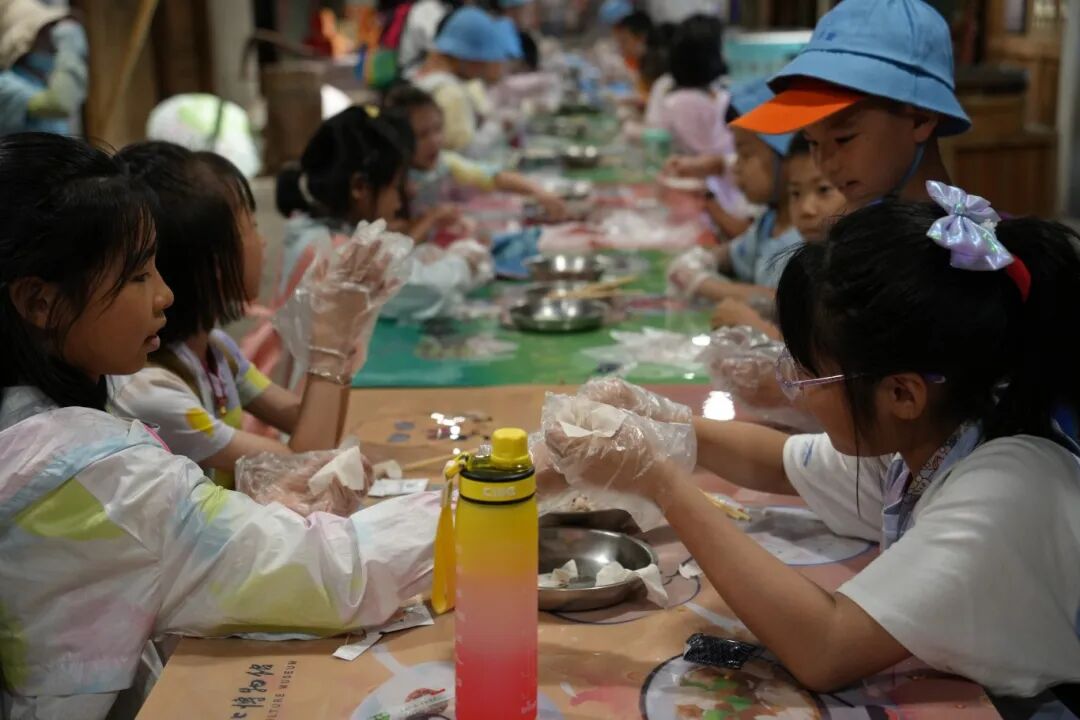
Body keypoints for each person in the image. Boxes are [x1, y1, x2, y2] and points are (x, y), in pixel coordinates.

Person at [544, 184, 1080, 701]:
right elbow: (778, 464)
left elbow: (825, 647)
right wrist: (661, 422)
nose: (796, 392)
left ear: (902, 393)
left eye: (811, 376)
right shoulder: (935, 437)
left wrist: (660, 482)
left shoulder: (1004, 490)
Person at [0, 132, 437, 720]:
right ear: (39, 302)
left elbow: (303, 448)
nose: (164, 293)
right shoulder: (109, 459)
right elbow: (333, 568)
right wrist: (505, 487)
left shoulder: (212, 356)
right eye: (137, 275)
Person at [111, 143, 380, 488]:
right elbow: (305, 461)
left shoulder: (216, 350)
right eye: (250, 225)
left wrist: (344, 327)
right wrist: (330, 343)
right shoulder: (152, 392)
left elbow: (307, 421)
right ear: (212, 260)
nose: (262, 241)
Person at [729, 0, 968, 210]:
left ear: (921, 119)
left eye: (843, 139)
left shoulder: (965, 245)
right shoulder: (855, 228)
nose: (825, 165)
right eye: (813, 142)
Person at [667, 79, 799, 304]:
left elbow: (780, 304)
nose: (736, 166)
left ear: (786, 158)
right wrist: (703, 259)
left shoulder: (806, 234)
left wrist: (702, 283)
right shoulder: (770, 221)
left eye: (745, 154)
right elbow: (735, 254)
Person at [382, 82, 566, 239]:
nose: (434, 141)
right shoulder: (388, 183)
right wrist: (431, 218)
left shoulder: (445, 164)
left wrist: (540, 193)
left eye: (438, 129)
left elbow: (493, 177)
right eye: (422, 135)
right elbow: (393, 245)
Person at [710, 134, 845, 337]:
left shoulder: (854, 268)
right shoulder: (809, 252)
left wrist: (755, 326)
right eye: (796, 194)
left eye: (824, 190)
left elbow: (828, 351)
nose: (806, 209)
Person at [408, 6, 508, 154]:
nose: (482, 68)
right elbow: (466, 154)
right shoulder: (452, 93)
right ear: (470, 58)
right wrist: (497, 126)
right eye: (481, 60)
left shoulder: (420, 76)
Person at [0, 0, 87, 136]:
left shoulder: (43, 80)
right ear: (28, 41)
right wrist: (69, 49)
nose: (54, 33)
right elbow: (60, 105)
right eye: (46, 27)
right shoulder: (5, 85)